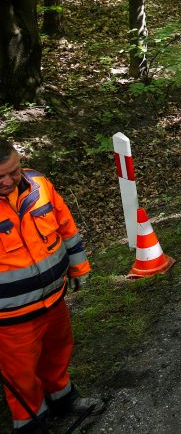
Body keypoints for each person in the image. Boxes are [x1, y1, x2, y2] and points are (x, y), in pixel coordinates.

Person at [0, 140, 102, 432]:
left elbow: (66, 226)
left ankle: (63, 398)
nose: (9, 181)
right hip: (11, 316)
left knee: (58, 350)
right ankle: (31, 422)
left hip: (54, 297)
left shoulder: (40, 185)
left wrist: (78, 266)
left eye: (14, 172)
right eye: (0, 177)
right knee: (21, 372)